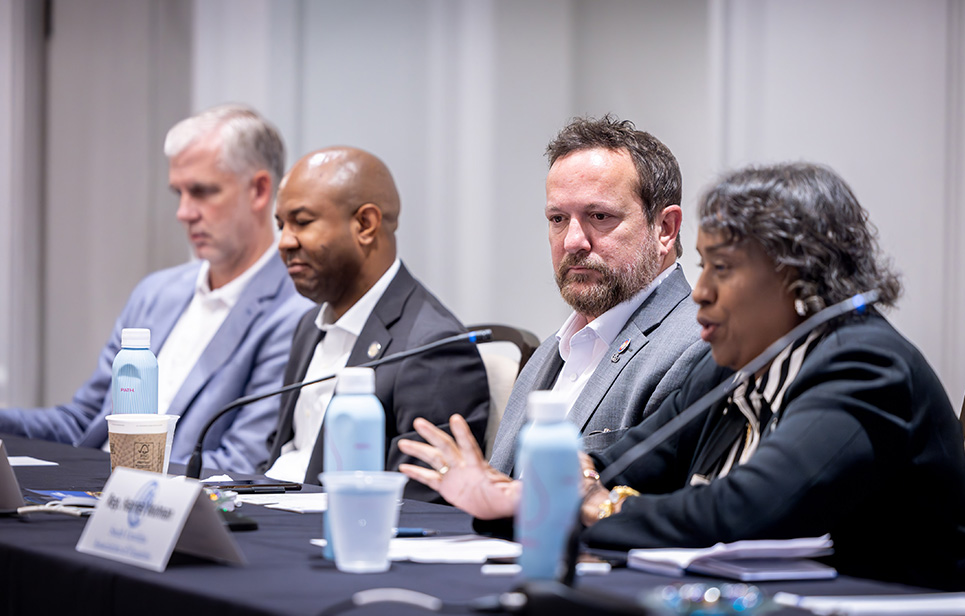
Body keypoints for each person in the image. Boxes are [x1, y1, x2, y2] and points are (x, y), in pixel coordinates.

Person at [399, 162, 965, 591]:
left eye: (721, 269)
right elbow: (623, 462)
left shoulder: (864, 366)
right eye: (703, 266)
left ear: (798, 277)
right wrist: (520, 497)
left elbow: (744, 511)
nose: (699, 292)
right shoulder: (727, 366)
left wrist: (596, 505)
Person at [0, 105, 313, 474]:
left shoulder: (294, 314)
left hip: (166, 507)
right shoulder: (156, 293)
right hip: (88, 492)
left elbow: (240, 464)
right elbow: (85, 422)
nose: (184, 212)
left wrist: (108, 479)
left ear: (260, 191)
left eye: (201, 191)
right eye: (178, 193)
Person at [263, 146, 489, 501]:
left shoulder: (434, 348)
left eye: (302, 222)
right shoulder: (309, 326)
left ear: (365, 225)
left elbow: (417, 504)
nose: (284, 242)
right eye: (280, 225)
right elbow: (279, 453)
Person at [488, 116, 707, 475]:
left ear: (665, 229)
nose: (573, 241)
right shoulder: (551, 350)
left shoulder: (695, 346)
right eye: (558, 218)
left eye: (599, 215)